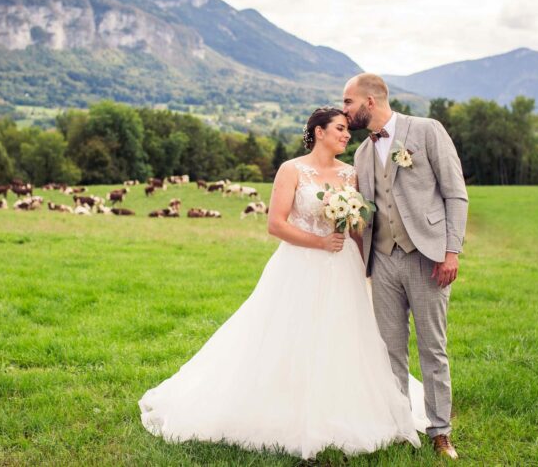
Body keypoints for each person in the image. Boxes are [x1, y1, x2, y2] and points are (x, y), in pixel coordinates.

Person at [139, 107, 426, 460]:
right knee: (290, 334)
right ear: (318, 132)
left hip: (343, 268)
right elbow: (275, 224)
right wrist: (320, 241)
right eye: (339, 128)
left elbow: (356, 230)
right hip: (299, 265)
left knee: (344, 335)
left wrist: (360, 245)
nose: (346, 135)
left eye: (347, 130)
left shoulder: (350, 175)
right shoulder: (291, 170)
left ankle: (345, 406)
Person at [344, 73, 468, 460]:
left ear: (369, 101)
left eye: (348, 102)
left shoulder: (427, 130)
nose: (344, 110)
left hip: (427, 257)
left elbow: (455, 193)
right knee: (390, 350)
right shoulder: (361, 154)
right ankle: (400, 427)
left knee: (433, 348)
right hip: (381, 261)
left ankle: (440, 431)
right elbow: (365, 211)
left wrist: (451, 251)